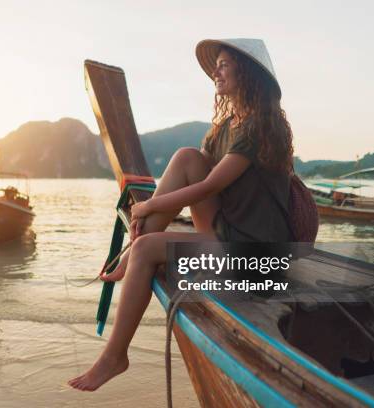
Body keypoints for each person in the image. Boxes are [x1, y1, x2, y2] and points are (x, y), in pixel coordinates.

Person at [68, 38, 294, 391]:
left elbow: (208, 187)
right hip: (229, 231)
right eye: (215, 65)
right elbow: (193, 174)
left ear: (247, 73)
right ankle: (134, 252)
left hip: (257, 249)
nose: (216, 72)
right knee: (187, 156)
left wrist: (148, 206)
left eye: (224, 64)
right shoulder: (225, 127)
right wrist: (153, 209)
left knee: (147, 251)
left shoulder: (261, 125)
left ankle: (116, 355)